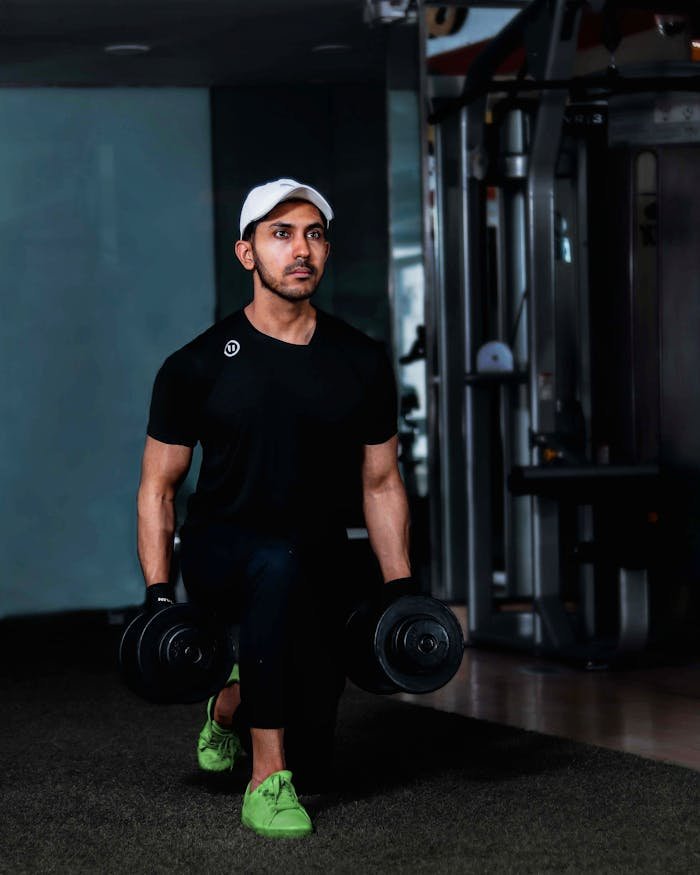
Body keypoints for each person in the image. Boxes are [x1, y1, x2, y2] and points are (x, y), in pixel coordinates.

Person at [136, 178, 412, 838]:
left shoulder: (360, 359)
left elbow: (381, 482)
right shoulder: (196, 365)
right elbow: (158, 488)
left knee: (316, 751)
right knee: (275, 566)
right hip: (223, 549)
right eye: (281, 234)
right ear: (246, 253)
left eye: (314, 234)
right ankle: (265, 779)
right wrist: (157, 594)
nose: (301, 249)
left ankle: (230, 702)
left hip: (318, 551)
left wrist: (400, 586)